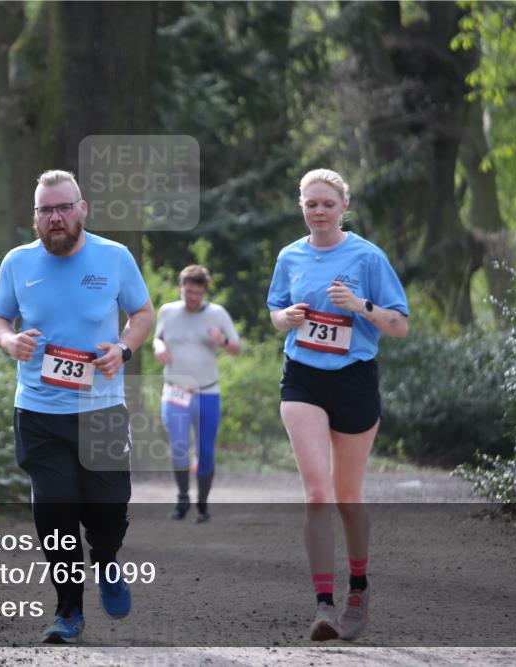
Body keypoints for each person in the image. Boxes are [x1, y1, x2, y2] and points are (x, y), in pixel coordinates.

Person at [0, 169, 154, 644]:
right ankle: (68, 613)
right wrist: (9, 340)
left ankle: (106, 558)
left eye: (63, 207)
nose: (55, 217)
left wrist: (122, 349)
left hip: (101, 408)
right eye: (46, 210)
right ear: (35, 217)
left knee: (108, 509)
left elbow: (142, 313)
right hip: (39, 410)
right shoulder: (18, 263)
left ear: (83, 209)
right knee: (54, 512)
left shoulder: (114, 257)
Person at [266, 169, 409, 642]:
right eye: (311, 204)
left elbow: (399, 325)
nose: (320, 211)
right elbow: (275, 313)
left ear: (343, 206)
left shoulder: (367, 257)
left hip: (354, 379)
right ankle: (324, 605)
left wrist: (360, 306)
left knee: (347, 497)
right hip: (303, 377)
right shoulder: (290, 256)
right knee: (317, 494)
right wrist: (284, 318)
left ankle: (359, 590)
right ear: (301, 207)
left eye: (328, 203)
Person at [153, 265, 241, 523]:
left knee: (205, 451)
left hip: (207, 392)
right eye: (189, 292)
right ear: (181, 288)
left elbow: (237, 348)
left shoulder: (217, 314)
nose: (193, 298)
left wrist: (222, 340)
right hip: (175, 391)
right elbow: (158, 337)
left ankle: (202, 505)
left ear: (205, 292)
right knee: (179, 447)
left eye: (198, 293)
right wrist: (158, 347)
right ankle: (182, 498)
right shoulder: (167, 311)